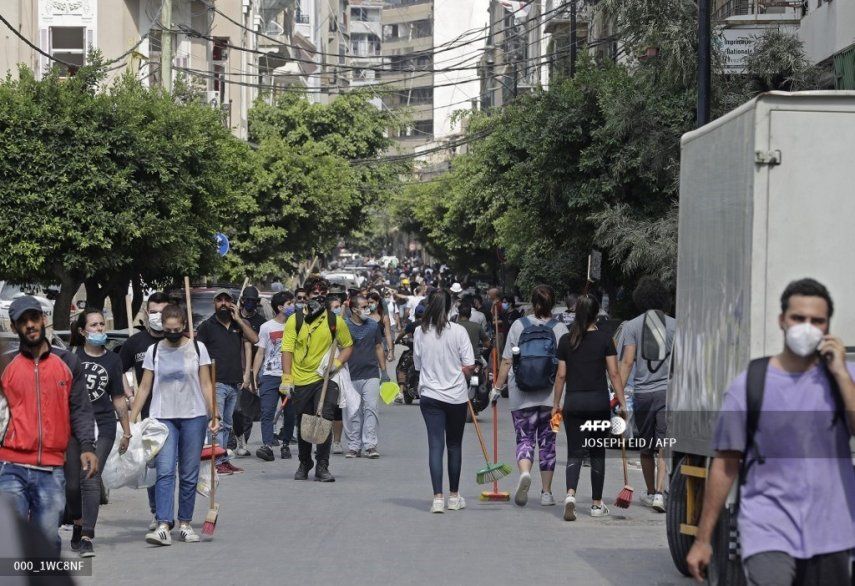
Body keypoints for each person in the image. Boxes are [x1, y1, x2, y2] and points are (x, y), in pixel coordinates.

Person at [687, 279, 855, 585]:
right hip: (768, 528)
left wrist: (842, 374)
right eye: (798, 318)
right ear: (782, 321)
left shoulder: (843, 382)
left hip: (831, 532)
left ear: (828, 325)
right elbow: (725, 464)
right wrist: (703, 538)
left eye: (816, 321)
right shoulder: (750, 384)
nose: (807, 327)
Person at [0, 296, 97, 554]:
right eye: (23, 321)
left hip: (52, 470)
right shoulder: (5, 365)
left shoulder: (67, 362)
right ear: (13, 327)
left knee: (46, 541)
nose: (30, 325)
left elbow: (80, 408)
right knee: (11, 541)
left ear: (43, 320)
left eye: (34, 318)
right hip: (11, 467)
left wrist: (87, 445)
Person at [130, 304, 218, 546]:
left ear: (184, 327)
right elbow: (145, 387)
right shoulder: (154, 350)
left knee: (188, 473)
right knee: (165, 471)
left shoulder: (198, 349)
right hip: (162, 417)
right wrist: (131, 421)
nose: (171, 333)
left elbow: (206, 385)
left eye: (176, 329)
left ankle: (186, 523)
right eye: (167, 329)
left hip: (194, 415)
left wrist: (214, 415)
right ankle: (162, 524)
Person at [552, 294, 627, 521]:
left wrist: (556, 404)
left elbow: (561, 375)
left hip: (574, 403)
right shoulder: (605, 339)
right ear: (596, 314)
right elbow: (614, 373)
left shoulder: (566, 340)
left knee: (574, 451)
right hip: (598, 403)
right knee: (596, 452)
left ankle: (570, 495)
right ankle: (596, 504)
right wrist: (622, 403)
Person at [492, 286, 569, 508]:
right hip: (552, 399)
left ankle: (525, 472)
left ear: (532, 303)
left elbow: (507, 360)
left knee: (524, 438)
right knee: (549, 444)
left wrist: (497, 388)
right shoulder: (560, 328)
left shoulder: (518, 326)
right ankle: (546, 493)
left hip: (520, 397)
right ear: (552, 303)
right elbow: (564, 367)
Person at [65, 309, 132, 558]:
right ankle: (78, 521)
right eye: (94, 325)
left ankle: (87, 536)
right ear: (82, 331)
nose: (100, 329)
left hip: (103, 425)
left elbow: (118, 398)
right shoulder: (71, 359)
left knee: (90, 478)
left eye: (102, 324)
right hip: (74, 426)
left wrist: (126, 432)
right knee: (72, 485)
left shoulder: (113, 361)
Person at [279, 278, 353, 482]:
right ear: (307, 294)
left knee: (324, 419)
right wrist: (287, 378)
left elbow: (348, 346)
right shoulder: (295, 321)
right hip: (301, 379)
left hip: (325, 379)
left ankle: (322, 465)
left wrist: (337, 363)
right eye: (314, 291)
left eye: (322, 291)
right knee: (304, 423)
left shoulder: (334, 321)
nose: (318, 295)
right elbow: (287, 350)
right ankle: (305, 462)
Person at [414, 289, 475, 513]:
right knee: (454, 445)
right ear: (451, 307)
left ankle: (437, 498)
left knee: (435, 445)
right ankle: (454, 496)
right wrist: (460, 372)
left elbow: (418, 365)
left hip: (430, 395)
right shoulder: (458, 331)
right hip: (456, 396)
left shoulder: (420, 332)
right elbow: (469, 366)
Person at [617, 277, 675, 512]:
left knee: (645, 446)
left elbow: (627, 362)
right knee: (663, 444)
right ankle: (661, 494)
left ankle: (650, 492)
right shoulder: (675, 325)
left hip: (642, 394)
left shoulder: (632, 326)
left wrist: (619, 397)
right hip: (667, 393)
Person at [118, 291, 173, 529]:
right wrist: (129, 393)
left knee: (175, 467)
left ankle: (174, 513)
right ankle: (158, 512)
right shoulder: (135, 343)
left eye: (163, 312)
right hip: (150, 414)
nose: (158, 317)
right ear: (145, 313)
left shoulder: (179, 339)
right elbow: (116, 369)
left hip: (179, 412)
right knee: (156, 466)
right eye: (154, 312)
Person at [196, 289, 259, 476]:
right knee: (217, 423)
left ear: (232, 303)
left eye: (227, 300)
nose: (223, 303)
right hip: (216, 381)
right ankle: (215, 462)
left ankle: (221, 460)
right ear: (214, 304)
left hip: (234, 383)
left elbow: (254, 339)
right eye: (219, 300)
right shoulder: (207, 326)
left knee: (228, 425)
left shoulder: (239, 325)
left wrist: (239, 319)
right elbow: (198, 353)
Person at [343, 295, 387, 459]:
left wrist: (384, 371)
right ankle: (354, 446)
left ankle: (370, 445)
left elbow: (378, 347)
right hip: (350, 375)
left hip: (371, 374)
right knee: (353, 412)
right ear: (354, 309)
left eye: (367, 306)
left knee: (370, 408)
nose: (367, 309)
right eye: (363, 307)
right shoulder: (344, 326)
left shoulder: (373, 325)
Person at [252, 292, 294, 461]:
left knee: (290, 413)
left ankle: (285, 444)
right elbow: (260, 352)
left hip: (289, 375)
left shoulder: (296, 325)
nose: (293, 306)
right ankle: (267, 445)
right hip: (269, 375)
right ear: (280, 307)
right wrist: (254, 374)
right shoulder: (267, 327)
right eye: (289, 303)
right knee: (267, 411)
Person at [232, 286, 267, 457]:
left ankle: (242, 440)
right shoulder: (233, 318)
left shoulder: (261, 322)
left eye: (254, 301)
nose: (250, 303)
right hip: (232, 367)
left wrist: (252, 373)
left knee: (245, 409)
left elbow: (257, 343)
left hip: (253, 368)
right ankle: (234, 439)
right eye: (248, 300)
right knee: (233, 409)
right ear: (242, 300)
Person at [368, 289, 395, 361]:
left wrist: (391, 351)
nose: (369, 305)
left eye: (371, 302)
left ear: (377, 302)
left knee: (382, 370)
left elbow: (388, 335)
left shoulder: (384, 317)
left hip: (381, 349)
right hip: (367, 349)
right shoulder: (365, 316)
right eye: (368, 303)